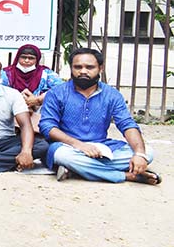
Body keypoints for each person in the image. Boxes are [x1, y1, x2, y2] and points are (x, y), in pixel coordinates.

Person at [39, 48, 160, 184]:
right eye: (78, 67)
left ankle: (78, 169)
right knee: (62, 156)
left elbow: (127, 124)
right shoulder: (56, 93)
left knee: (147, 152)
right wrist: (79, 145)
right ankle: (126, 176)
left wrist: (139, 154)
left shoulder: (112, 95)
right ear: (71, 68)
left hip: (101, 147)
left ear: (100, 68)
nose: (83, 71)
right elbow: (47, 127)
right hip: (67, 146)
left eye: (89, 67)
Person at [1, 44, 64, 132]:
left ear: (37, 59)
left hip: (38, 113)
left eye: (31, 58)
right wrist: (20, 100)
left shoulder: (46, 74)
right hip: (11, 112)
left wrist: (38, 99)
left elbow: (61, 89)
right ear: (18, 57)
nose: (26, 61)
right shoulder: (6, 73)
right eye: (23, 57)